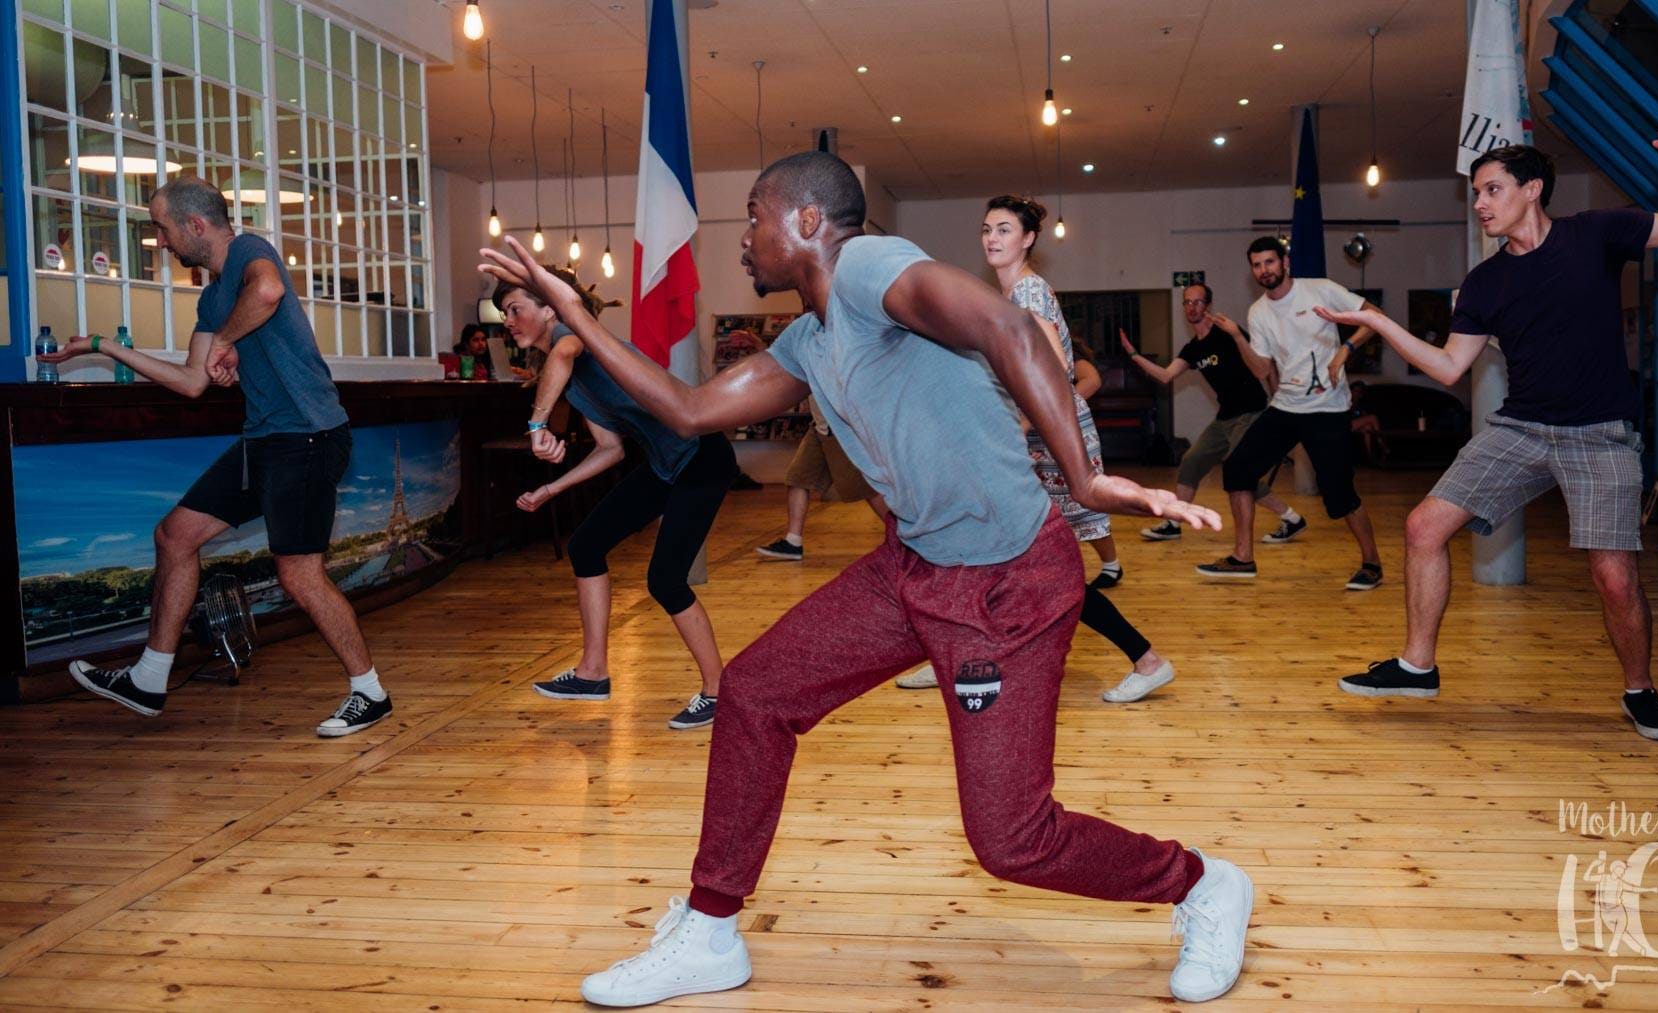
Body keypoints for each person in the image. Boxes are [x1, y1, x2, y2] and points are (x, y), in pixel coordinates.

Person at [480, 151, 1253, 1007]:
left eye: (754, 216)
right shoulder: (809, 341)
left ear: (810, 222)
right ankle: (709, 929)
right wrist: (568, 316)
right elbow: (688, 409)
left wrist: (1086, 478)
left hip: (1008, 583)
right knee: (756, 692)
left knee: (1013, 839)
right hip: (912, 567)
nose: (743, 240)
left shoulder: (868, 270)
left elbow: (1009, 328)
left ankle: (1202, 883)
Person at [1317, 120, 1658, 741]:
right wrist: (1378, 322)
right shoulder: (1485, 282)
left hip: (1600, 433)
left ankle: (1640, 690)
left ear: (1532, 189)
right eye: (1477, 193)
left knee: (1614, 577)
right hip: (1521, 428)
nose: (1480, 204)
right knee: (1424, 527)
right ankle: (1417, 665)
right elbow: (1451, 366)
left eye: (1491, 190)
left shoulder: (1596, 233)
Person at [39, 176, 390, 737]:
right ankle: (150, 678)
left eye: (163, 228)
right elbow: (191, 381)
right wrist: (105, 347)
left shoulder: (252, 252)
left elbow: (269, 292)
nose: (162, 241)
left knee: (299, 575)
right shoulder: (210, 296)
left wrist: (225, 341)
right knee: (174, 536)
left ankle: (369, 693)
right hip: (265, 441)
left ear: (196, 226)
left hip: (309, 437)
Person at [894, 195, 1175, 703]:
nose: (992, 238)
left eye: (1004, 229)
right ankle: (954, 656)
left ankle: (1146, 659)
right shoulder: (1010, 294)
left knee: (1040, 564)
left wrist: (1013, 432)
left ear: (1028, 239)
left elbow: (1054, 373)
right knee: (1004, 558)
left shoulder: (1028, 292)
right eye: (986, 229)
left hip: (1048, 440)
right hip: (1039, 436)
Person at [496, 269, 739, 732]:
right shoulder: (572, 379)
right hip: (667, 464)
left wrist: (537, 425)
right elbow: (611, 449)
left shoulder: (573, 338)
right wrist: (551, 489)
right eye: (503, 313)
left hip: (702, 457)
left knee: (665, 580)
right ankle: (592, 673)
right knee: (586, 546)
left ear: (551, 309)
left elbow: (565, 352)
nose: (508, 320)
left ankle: (718, 690)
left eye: (515, 309)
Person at [1201, 237, 1385, 590]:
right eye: (1256, 265)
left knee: (1340, 494)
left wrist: (1345, 349)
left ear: (1285, 262)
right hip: (1286, 406)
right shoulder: (1258, 312)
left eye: (1269, 262)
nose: (1263, 270)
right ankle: (1243, 558)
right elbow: (1260, 370)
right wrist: (1238, 338)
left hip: (1328, 409)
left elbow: (1375, 316)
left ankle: (1372, 564)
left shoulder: (1319, 289)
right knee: (1238, 469)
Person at [1123, 282, 1306, 544]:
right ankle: (1174, 523)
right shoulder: (1193, 349)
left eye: (1197, 302)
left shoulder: (1226, 333)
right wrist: (1134, 355)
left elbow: (1262, 367)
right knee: (1191, 461)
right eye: (1187, 302)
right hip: (1225, 417)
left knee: (1240, 470)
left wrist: (1238, 337)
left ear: (1208, 305)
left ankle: (1291, 518)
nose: (1192, 307)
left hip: (1250, 412)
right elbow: (1165, 376)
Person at [754, 398, 888, 561]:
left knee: (866, 487)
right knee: (798, 478)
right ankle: (793, 542)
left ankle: (905, 538)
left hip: (840, 428)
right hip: (819, 426)